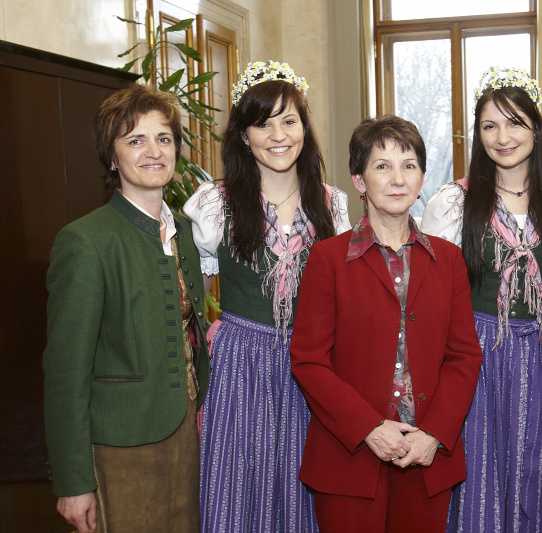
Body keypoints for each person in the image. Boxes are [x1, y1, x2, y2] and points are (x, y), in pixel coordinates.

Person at [290, 115, 483, 533]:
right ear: (359, 181)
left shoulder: (448, 260)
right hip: (349, 457)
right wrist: (369, 428)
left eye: (408, 165)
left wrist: (433, 434)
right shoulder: (326, 259)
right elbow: (308, 361)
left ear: (422, 178)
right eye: (382, 166)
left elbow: (465, 356)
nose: (397, 179)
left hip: (425, 456)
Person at [183, 60, 350, 533]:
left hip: (312, 363)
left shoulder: (332, 204)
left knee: (306, 488)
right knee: (239, 487)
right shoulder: (214, 204)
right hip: (240, 364)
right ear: (243, 135)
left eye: (289, 120)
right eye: (262, 123)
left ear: (305, 128)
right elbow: (193, 294)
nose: (278, 135)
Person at [43, 84, 210, 532]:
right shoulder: (86, 241)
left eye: (164, 138)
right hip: (122, 445)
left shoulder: (187, 238)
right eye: (136, 140)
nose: (153, 151)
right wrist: (74, 481)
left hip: (188, 431)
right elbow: (65, 372)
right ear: (112, 156)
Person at [420, 66, 542, 532]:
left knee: (540, 473)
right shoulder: (453, 203)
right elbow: (427, 297)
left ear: (536, 128)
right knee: (480, 478)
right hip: (476, 358)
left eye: (514, 123)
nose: (502, 136)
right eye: (490, 125)